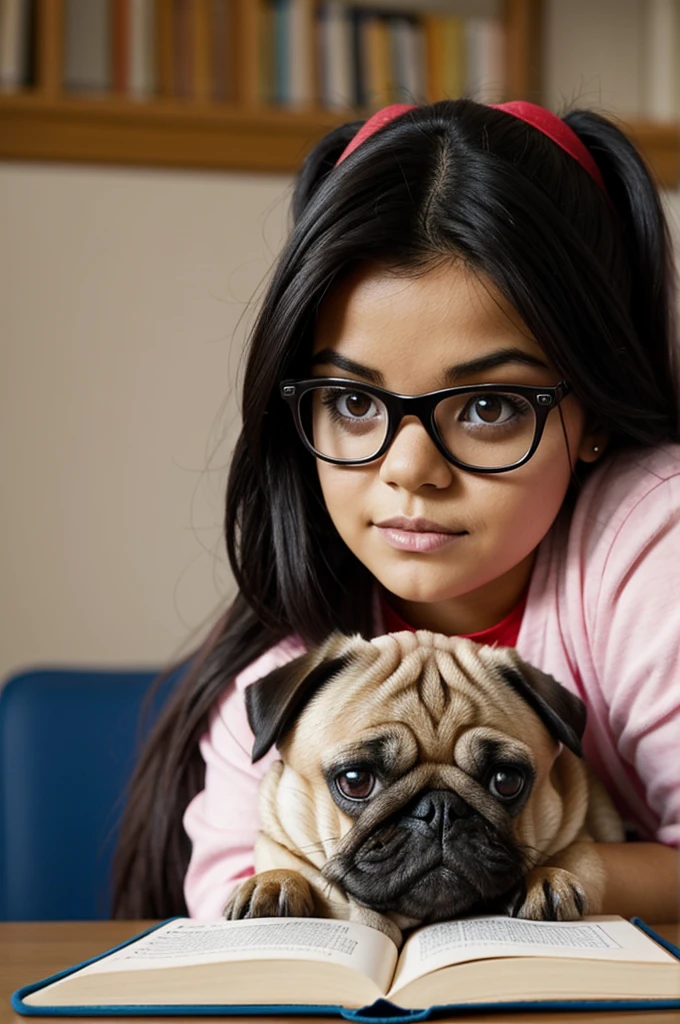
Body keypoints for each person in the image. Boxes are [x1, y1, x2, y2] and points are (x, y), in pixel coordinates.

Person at [112, 99, 680, 924]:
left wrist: (583, 875)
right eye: (351, 400)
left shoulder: (652, 546)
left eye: (488, 406)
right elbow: (234, 891)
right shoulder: (289, 669)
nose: (410, 467)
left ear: (590, 411)